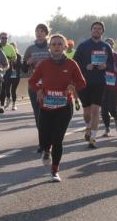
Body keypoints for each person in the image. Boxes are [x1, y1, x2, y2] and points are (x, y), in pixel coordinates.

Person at [29, 34, 87, 182]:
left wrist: (73, 86)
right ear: (49, 47)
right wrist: (39, 89)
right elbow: (32, 81)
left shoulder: (71, 64)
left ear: (65, 47)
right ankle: (46, 149)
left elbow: (82, 82)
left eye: (59, 44)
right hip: (46, 107)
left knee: (58, 139)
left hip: (64, 107)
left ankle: (55, 170)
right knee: (44, 138)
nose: (56, 46)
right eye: (53, 44)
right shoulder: (44, 64)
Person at [72, 21, 114, 148]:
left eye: (99, 29)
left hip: (100, 82)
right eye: (94, 28)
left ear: (102, 32)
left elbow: (112, 64)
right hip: (84, 83)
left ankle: (93, 138)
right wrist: (86, 66)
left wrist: (105, 65)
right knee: (87, 112)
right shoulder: (83, 46)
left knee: (96, 110)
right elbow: (74, 63)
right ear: (91, 31)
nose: (96, 30)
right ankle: (88, 127)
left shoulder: (106, 47)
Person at [22, 24, 52, 149]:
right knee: (38, 114)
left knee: (49, 113)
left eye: (41, 31)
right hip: (34, 85)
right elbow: (23, 69)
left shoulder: (52, 47)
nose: (38, 33)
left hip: (50, 85)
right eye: (36, 31)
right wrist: (27, 63)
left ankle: (49, 138)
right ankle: (42, 142)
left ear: (46, 33)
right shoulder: (30, 49)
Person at [101, 37, 117, 136]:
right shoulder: (99, 56)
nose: (108, 45)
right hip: (101, 85)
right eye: (106, 44)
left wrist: (115, 69)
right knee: (104, 108)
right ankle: (107, 128)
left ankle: (116, 118)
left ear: (113, 45)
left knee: (112, 108)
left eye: (110, 44)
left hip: (114, 85)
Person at [0, 32, 20, 113]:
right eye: (2, 38)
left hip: (7, 70)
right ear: (0, 38)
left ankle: (2, 106)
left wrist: (11, 59)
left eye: (6, 38)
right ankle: (2, 103)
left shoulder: (10, 47)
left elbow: (15, 58)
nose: (4, 39)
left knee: (3, 87)